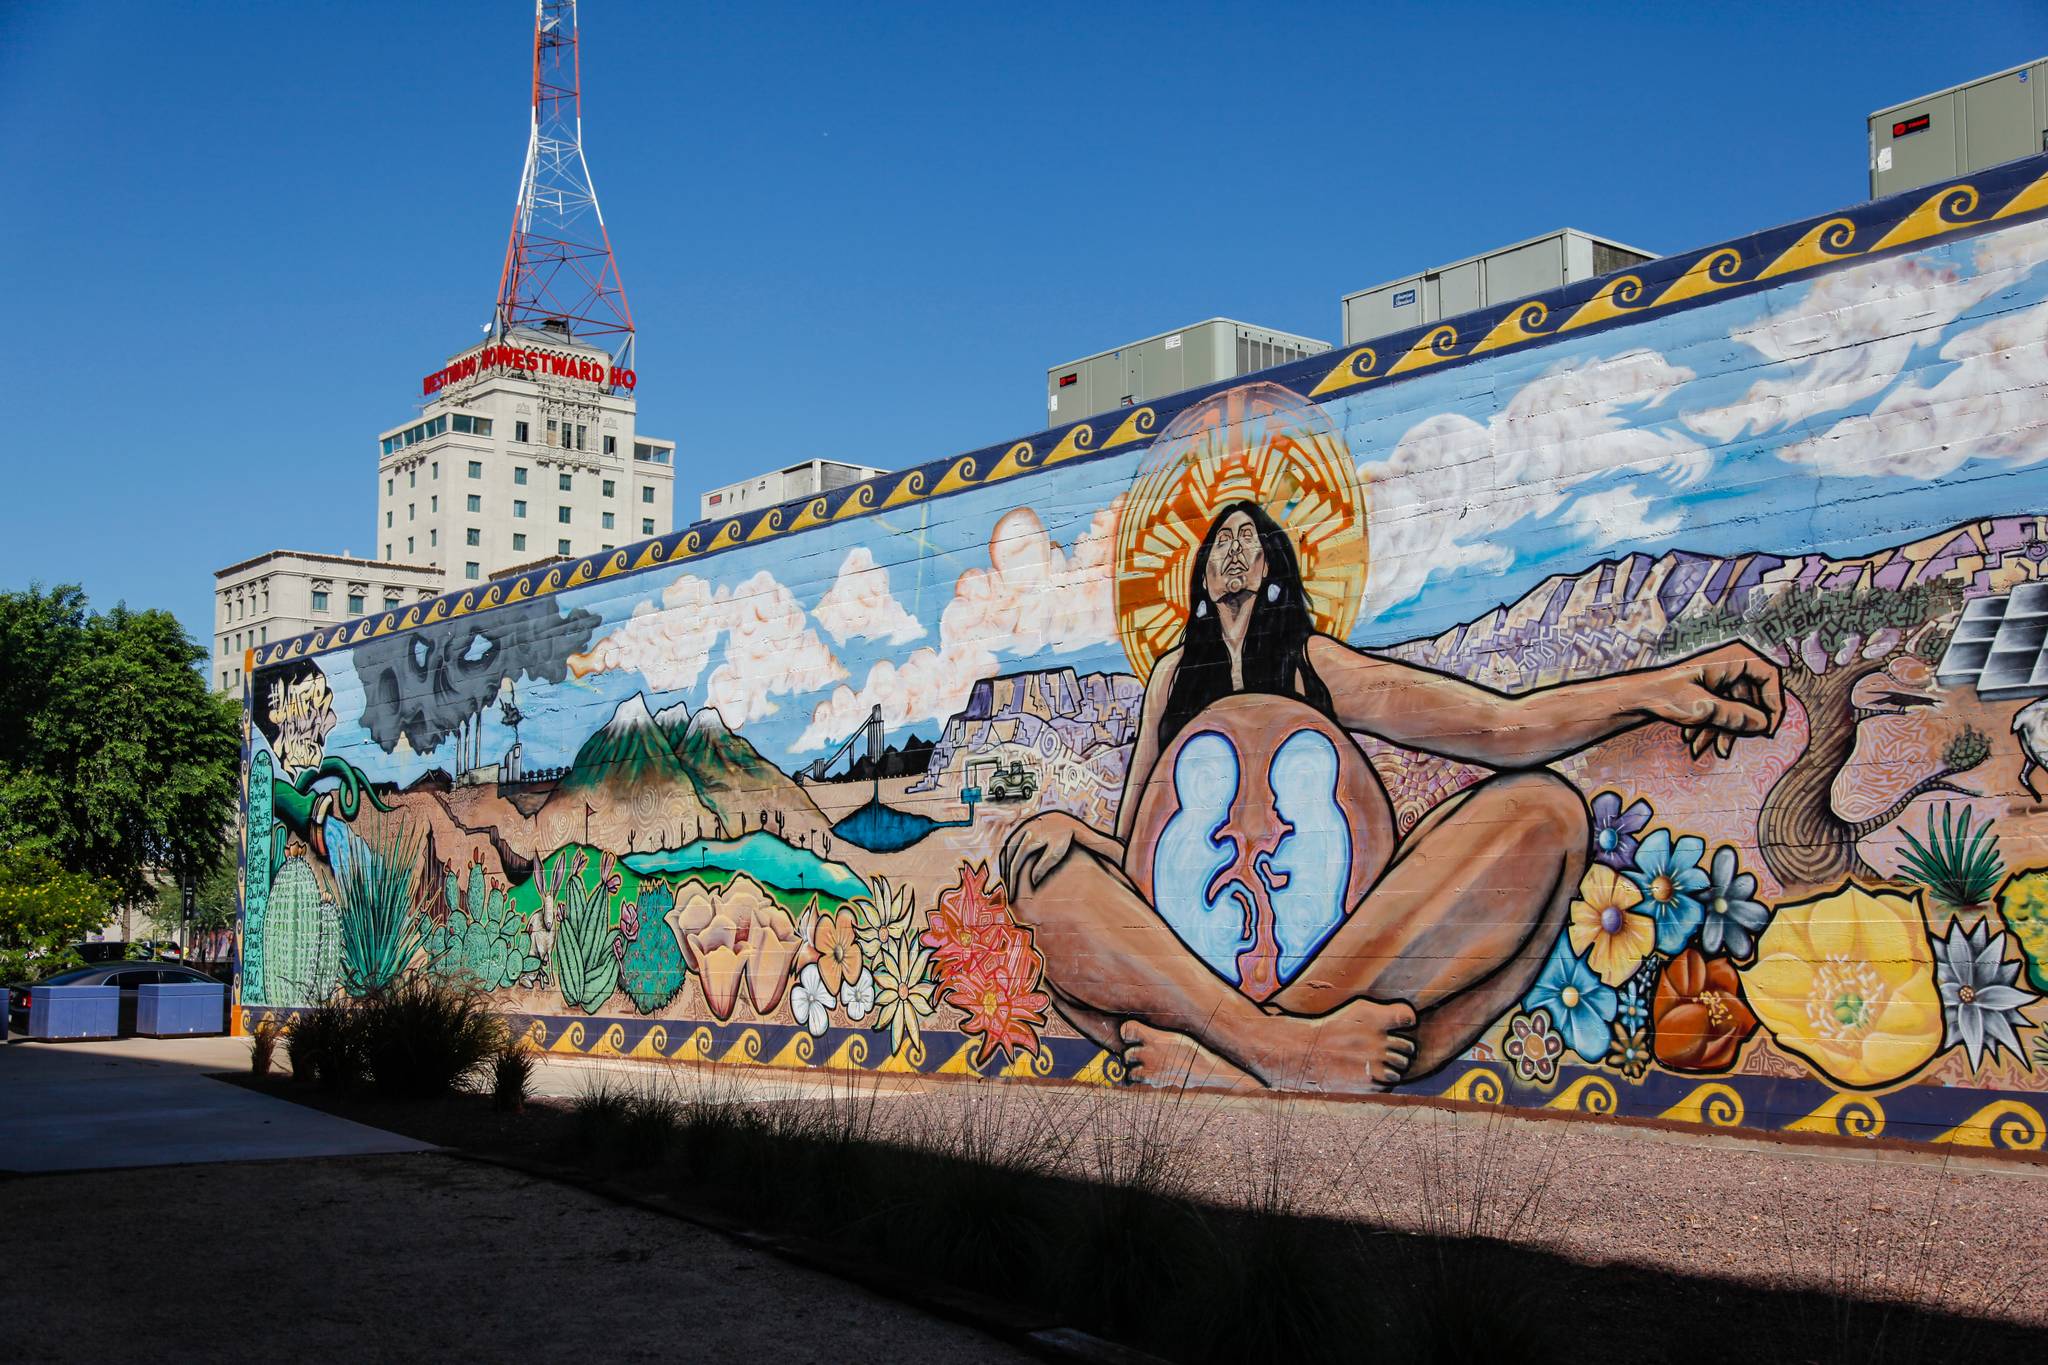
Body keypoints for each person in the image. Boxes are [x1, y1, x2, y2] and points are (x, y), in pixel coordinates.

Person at [999, 500, 1782, 1093]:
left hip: (1344, 960)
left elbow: (1502, 728)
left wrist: (1657, 689)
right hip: (1194, 958)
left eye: (1249, 539)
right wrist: (1072, 827)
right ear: (1202, 574)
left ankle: (1233, 1058)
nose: (1233, 549)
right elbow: (1139, 844)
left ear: (1273, 567)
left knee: (1547, 813)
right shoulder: (1170, 681)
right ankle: (1284, 1054)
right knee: (1039, 873)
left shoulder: (1313, 663)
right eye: (1221, 541)